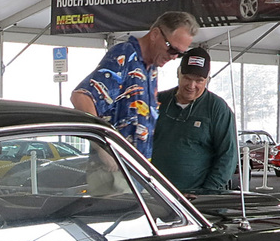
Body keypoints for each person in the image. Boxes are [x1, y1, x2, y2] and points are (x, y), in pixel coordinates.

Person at [70, 11, 197, 158]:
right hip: (115, 169)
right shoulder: (124, 56)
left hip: (135, 170)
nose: (173, 57)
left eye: (180, 54)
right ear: (155, 34)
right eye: (172, 49)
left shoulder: (151, 69)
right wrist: (103, 149)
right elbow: (81, 97)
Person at [150, 46, 237, 194]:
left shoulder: (217, 109)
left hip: (196, 200)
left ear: (207, 79)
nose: (191, 86)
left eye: (199, 80)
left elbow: (228, 156)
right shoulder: (158, 101)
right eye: (187, 78)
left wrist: (207, 193)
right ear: (178, 73)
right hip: (155, 194)